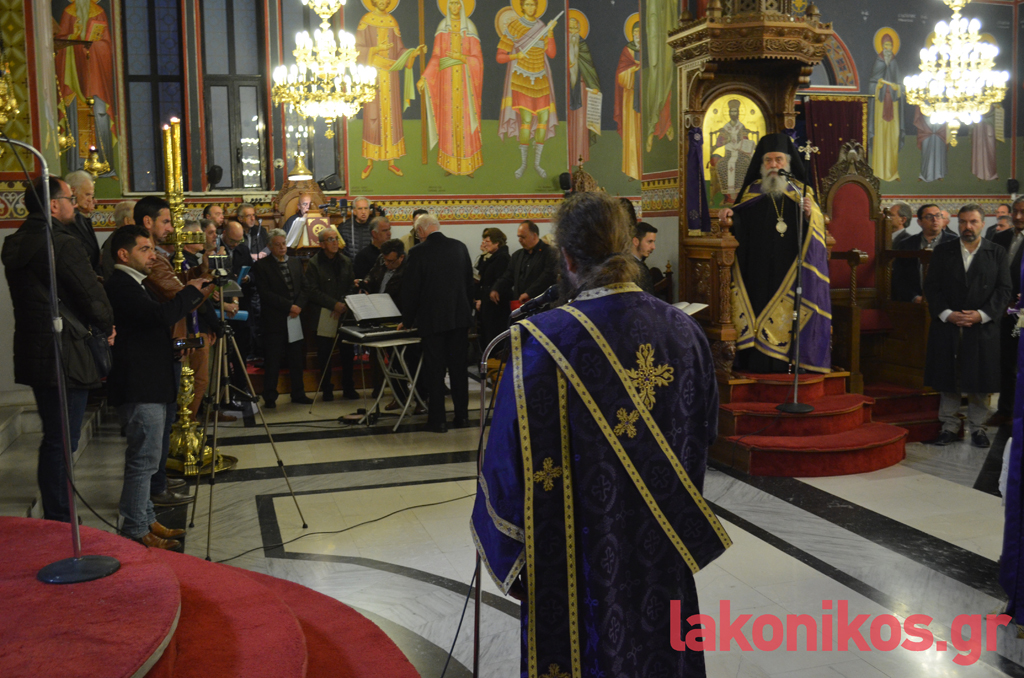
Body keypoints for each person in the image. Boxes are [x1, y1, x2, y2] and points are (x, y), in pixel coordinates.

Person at [472, 191, 730, 678]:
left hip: (574, 557)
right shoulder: (685, 332)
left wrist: (512, 551)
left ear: (567, 260)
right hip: (663, 540)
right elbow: (705, 431)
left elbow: (506, 464)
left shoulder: (541, 343)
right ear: (630, 247)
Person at [2, 176, 114, 523]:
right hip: (66, 350)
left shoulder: (16, 242)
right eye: (69, 198)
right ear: (53, 205)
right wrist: (107, 324)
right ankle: (61, 516)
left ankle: (57, 511)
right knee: (63, 439)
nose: (75, 204)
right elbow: (89, 294)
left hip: (35, 346)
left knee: (55, 436)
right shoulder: (61, 244)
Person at [105, 224, 209, 550]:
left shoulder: (137, 284)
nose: (153, 255)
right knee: (144, 460)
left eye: (152, 249)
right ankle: (136, 528)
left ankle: (146, 518)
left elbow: (150, 326)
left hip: (151, 381)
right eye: (145, 249)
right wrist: (190, 292)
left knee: (148, 459)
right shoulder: (121, 285)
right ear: (124, 255)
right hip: (140, 385)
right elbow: (158, 317)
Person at [719, 133, 830, 373]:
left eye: (779, 159)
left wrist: (810, 214)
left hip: (790, 267)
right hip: (756, 265)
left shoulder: (801, 192)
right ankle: (753, 361)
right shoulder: (752, 191)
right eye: (768, 160)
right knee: (756, 306)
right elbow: (741, 217)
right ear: (762, 164)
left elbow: (818, 225)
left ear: (788, 162)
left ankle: (788, 361)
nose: (774, 165)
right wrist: (731, 215)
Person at [136, 196, 208, 507]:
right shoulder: (151, 259)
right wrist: (202, 285)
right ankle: (155, 486)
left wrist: (201, 274)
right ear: (148, 222)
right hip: (161, 347)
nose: (171, 228)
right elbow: (176, 295)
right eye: (166, 221)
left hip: (168, 344)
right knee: (159, 426)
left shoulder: (158, 256)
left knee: (163, 423)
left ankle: (160, 479)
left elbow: (179, 287)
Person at [924, 204, 1011, 448]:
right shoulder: (943, 251)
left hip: (982, 326)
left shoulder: (996, 252)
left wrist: (982, 315)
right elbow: (932, 287)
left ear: (983, 223)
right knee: (948, 377)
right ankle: (949, 426)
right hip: (949, 324)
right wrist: (947, 314)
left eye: (973, 222)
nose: (967, 227)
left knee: (980, 379)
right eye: (962, 222)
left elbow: (1004, 289)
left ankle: (978, 428)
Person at [401, 214, 473, 432]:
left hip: (432, 321)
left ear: (421, 231)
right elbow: (469, 283)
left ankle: (438, 420)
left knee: (435, 371)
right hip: (459, 319)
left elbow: (411, 290)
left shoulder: (417, 252)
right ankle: (462, 417)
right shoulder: (460, 247)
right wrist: (467, 313)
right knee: (459, 369)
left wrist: (407, 320)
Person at [356, 0, 425, 179]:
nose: (382, 2)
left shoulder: (392, 21)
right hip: (372, 75)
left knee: (392, 117)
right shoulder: (366, 20)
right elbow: (357, 49)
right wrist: (377, 49)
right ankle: (369, 162)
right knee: (372, 117)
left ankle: (391, 161)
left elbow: (399, 50)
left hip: (391, 76)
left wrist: (412, 53)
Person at [418, 0, 484, 177]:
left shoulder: (469, 28)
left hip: (465, 83)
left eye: (457, 3)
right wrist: (424, 77)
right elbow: (436, 57)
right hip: (446, 83)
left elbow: (478, 59)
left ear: (462, 6)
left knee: (465, 120)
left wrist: (461, 57)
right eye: (451, 3)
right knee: (448, 120)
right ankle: (449, 164)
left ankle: (468, 164)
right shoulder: (443, 28)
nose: (454, 7)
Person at [181, 220, 238, 423]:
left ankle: (205, 411)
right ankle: (189, 419)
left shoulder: (195, 262)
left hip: (202, 326)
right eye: (202, 234)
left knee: (205, 376)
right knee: (198, 379)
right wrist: (214, 324)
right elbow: (199, 300)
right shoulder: (184, 263)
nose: (212, 236)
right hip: (193, 329)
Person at [497, 0, 558, 179]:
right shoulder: (514, 27)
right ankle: (523, 163)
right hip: (522, 78)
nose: (531, 8)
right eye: (528, 4)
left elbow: (552, 53)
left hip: (540, 78)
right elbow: (500, 56)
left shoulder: (542, 27)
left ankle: (537, 163)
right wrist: (516, 55)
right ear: (522, 6)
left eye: (534, 5)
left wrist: (550, 32)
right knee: (526, 119)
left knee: (543, 119)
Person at [254, 230, 311, 408]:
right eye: (277, 245)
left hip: (295, 317)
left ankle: (298, 393)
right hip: (274, 319)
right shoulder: (262, 266)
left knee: (296, 358)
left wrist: (298, 306)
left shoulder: (295, 262)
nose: (282, 247)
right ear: (270, 246)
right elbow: (265, 293)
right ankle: (270, 396)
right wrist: (289, 306)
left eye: (284, 243)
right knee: (273, 360)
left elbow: (305, 287)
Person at [304, 227, 359, 402]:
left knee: (347, 352)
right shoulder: (314, 263)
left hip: (344, 312)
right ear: (322, 244)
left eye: (336, 238)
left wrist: (342, 304)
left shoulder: (345, 261)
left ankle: (348, 386)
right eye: (330, 239)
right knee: (325, 353)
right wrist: (333, 304)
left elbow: (351, 285)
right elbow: (311, 290)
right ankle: (326, 388)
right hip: (324, 313)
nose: (335, 242)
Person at [988, 197, 1024, 427]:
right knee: (1005, 361)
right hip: (1002, 311)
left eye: (1023, 212)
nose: (1018, 217)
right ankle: (1005, 410)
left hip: (1023, 312)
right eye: (1015, 211)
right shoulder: (1000, 237)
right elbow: (991, 272)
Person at [891, 204, 958, 302]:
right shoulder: (907, 244)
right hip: (914, 302)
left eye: (938, 215)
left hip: (947, 302)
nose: (935, 219)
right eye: (929, 216)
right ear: (919, 222)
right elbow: (899, 277)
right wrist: (914, 297)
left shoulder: (955, 243)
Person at [489, 221, 558, 307]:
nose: (520, 240)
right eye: (519, 237)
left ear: (534, 236)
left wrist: (529, 293)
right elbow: (508, 276)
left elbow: (547, 277)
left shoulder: (549, 253)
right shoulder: (517, 255)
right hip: (520, 304)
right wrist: (496, 288)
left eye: (523, 237)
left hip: (542, 305)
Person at [869, 31, 904, 182]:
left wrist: (898, 88)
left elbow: (901, 85)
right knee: (880, 138)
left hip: (893, 106)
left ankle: (892, 172)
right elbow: (872, 84)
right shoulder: (878, 61)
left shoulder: (894, 63)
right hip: (880, 105)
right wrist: (877, 86)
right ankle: (878, 171)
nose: (887, 48)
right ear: (881, 46)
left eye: (890, 45)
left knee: (893, 138)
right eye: (885, 45)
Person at [566, 12, 599, 166]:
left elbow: (589, 68)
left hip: (581, 89)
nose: (573, 32)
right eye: (570, 29)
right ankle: (566, 159)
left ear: (579, 29)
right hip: (567, 92)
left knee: (580, 126)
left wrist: (594, 87)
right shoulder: (563, 48)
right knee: (568, 125)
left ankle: (579, 160)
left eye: (575, 28)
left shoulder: (583, 46)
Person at [709, 100, 756, 204]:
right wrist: (725, 141)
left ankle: (740, 196)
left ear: (738, 113)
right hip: (729, 154)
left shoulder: (741, 126)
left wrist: (742, 143)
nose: (733, 113)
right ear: (729, 113)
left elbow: (745, 140)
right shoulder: (726, 128)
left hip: (741, 154)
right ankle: (728, 197)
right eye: (732, 111)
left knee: (744, 165)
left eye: (735, 111)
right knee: (722, 165)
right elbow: (719, 142)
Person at [614, 19, 642, 181]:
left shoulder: (649, 51)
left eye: (640, 32)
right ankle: (633, 171)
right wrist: (634, 70)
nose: (637, 35)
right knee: (632, 134)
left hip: (644, 99)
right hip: (630, 99)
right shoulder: (627, 50)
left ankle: (646, 171)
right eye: (635, 32)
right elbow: (620, 77)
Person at [475, 227, 510, 349]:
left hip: (496, 306)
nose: (484, 244)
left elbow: (500, 280)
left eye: (487, 241)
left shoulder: (502, 258)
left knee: (494, 336)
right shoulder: (493, 257)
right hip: (488, 303)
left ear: (497, 243)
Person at [63, 170, 101, 276]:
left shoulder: (81, 218)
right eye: (87, 194)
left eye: (92, 195)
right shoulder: (68, 219)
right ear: (73, 192)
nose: (91, 200)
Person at [353, 216, 392, 281]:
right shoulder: (362, 257)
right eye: (385, 230)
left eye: (389, 230)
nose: (389, 234)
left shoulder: (394, 253)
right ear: (374, 234)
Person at [632, 221, 658, 293]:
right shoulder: (628, 267)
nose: (653, 247)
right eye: (649, 242)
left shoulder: (640, 264)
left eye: (654, 242)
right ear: (636, 241)